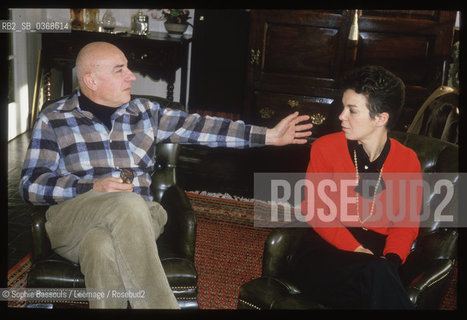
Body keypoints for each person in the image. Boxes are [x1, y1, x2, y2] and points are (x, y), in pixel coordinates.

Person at [19, 42, 313, 309]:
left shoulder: (146, 112)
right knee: (126, 203)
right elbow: (31, 185)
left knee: (104, 243)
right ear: (91, 80)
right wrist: (91, 186)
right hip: (74, 220)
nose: (132, 76)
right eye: (120, 70)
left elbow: (204, 128)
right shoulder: (54, 119)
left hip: (142, 217)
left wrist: (268, 136)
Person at [297, 65, 422, 309]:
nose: (341, 116)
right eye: (343, 107)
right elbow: (315, 209)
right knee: (376, 280)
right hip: (325, 253)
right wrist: (356, 249)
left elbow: (405, 224)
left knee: (375, 280)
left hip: (378, 257)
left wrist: (391, 260)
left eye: (352, 110)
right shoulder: (324, 148)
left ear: (380, 118)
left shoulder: (407, 160)